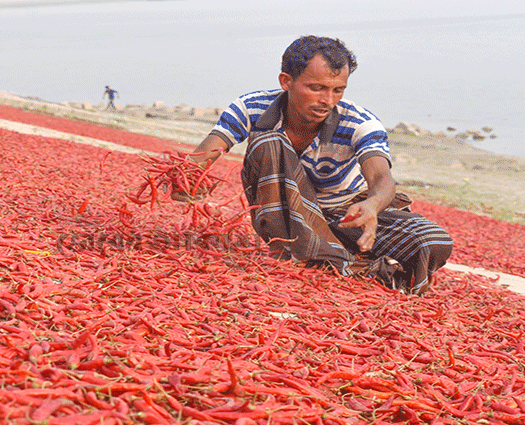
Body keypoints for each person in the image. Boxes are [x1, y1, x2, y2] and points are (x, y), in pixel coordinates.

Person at [187, 35, 452, 295]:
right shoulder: (252, 108)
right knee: (267, 140)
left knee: (431, 241)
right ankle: (293, 248)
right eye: (316, 88)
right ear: (286, 81)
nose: (328, 100)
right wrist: (186, 177)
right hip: (287, 214)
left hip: (345, 214)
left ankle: (333, 254)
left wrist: (371, 206)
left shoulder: (359, 122)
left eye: (338, 90)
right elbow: (204, 154)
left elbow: (382, 178)